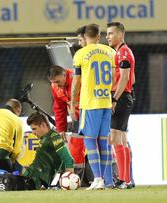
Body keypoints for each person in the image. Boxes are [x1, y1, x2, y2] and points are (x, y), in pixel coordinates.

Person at [70, 23, 115, 190]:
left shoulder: (80, 54)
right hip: (106, 102)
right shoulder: (110, 52)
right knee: (104, 142)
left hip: (89, 103)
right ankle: (107, 180)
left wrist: (73, 102)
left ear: (86, 36)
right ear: (98, 36)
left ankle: (97, 179)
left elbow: (76, 81)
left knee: (90, 141)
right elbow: (114, 78)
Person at [47, 65, 93, 186]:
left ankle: (100, 178)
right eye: (53, 82)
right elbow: (59, 108)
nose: (56, 85)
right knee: (77, 146)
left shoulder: (78, 79)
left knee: (93, 145)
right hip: (77, 118)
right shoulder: (55, 86)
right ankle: (80, 179)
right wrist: (61, 129)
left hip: (90, 115)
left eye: (57, 81)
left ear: (64, 74)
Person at [106, 22, 135, 189]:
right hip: (125, 97)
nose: (107, 37)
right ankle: (126, 180)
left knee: (116, 138)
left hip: (122, 98)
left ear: (120, 34)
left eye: (110, 33)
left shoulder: (123, 52)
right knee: (121, 139)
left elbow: (124, 78)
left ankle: (124, 180)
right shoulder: (120, 52)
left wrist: (115, 99)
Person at [23, 111, 74, 189]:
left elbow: (68, 159)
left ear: (43, 125)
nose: (33, 132)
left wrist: (68, 179)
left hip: (48, 181)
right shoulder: (44, 138)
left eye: (34, 129)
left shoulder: (54, 137)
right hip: (37, 179)